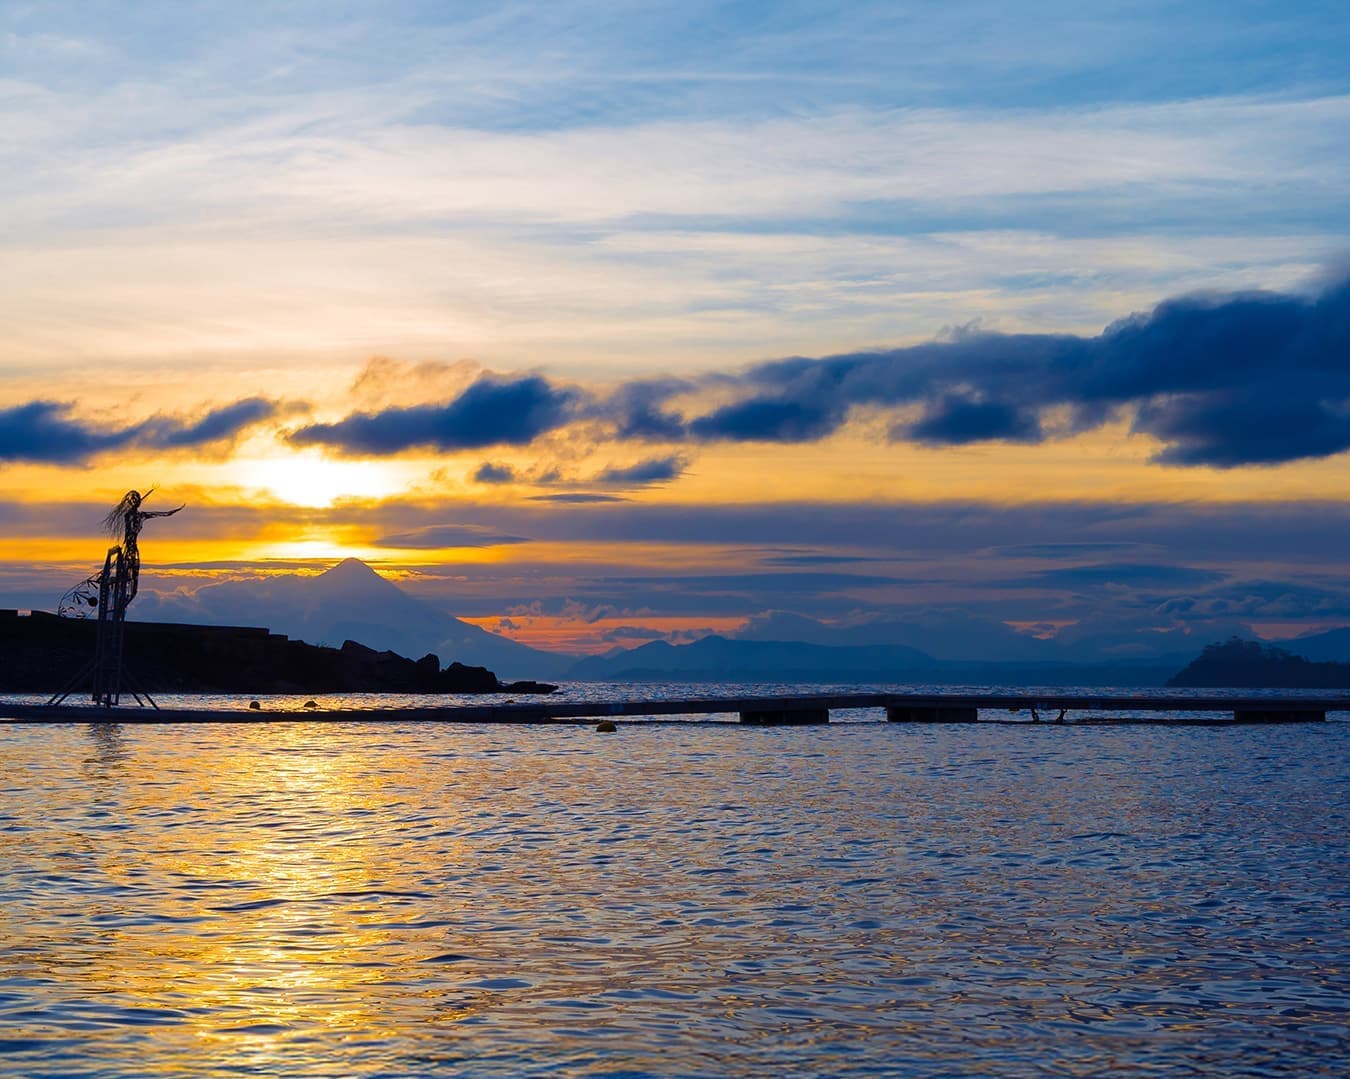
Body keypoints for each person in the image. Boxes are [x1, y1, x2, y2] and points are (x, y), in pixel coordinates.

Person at [102, 490, 183, 607]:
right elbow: (131, 531)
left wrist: (173, 511)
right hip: (130, 548)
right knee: (128, 577)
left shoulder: (141, 515)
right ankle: (120, 602)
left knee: (132, 579)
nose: (136, 502)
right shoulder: (129, 516)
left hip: (133, 548)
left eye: (137, 499)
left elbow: (160, 514)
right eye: (133, 500)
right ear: (130, 502)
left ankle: (121, 603)